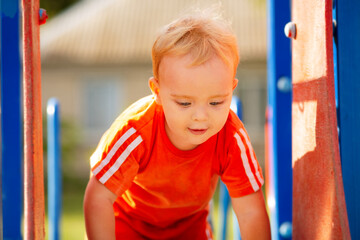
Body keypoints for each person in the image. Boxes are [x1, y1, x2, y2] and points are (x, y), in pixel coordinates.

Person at [84, 8, 270, 240]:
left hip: (189, 227)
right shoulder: (136, 131)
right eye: (184, 103)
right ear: (157, 92)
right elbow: (98, 197)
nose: (201, 116)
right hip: (127, 224)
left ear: (231, 90)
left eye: (216, 102)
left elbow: (251, 211)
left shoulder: (231, 137)